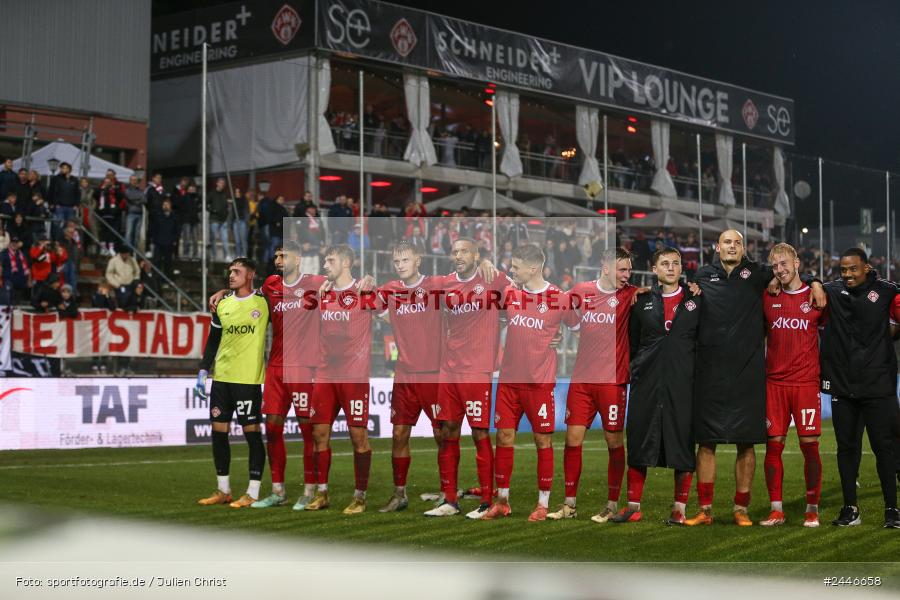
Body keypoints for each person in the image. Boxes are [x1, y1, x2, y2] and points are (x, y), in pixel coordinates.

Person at [684, 230, 825, 527]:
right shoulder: (701, 277)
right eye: (726, 242)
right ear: (716, 246)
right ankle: (705, 510)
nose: (731, 246)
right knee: (706, 443)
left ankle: (741, 509)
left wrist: (815, 281)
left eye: (736, 242)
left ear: (744, 248)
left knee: (746, 444)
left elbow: (786, 271)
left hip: (749, 374)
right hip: (709, 373)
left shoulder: (759, 273)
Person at [483, 244, 578, 522]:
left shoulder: (558, 298)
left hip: (540, 383)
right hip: (509, 381)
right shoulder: (510, 293)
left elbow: (578, 328)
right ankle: (502, 501)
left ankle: (542, 503)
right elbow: (494, 317)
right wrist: (487, 261)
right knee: (503, 437)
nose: (512, 271)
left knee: (542, 440)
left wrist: (559, 340)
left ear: (533, 268)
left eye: (516, 267)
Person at [548, 248, 639, 523]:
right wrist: (558, 332)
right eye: (622, 269)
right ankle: (569, 504)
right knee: (572, 440)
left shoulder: (630, 294)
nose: (627, 275)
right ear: (606, 267)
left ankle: (611, 504)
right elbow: (557, 309)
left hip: (613, 381)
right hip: (582, 381)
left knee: (614, 442)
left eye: (629, 270)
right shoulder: (582, 291)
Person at [426, 238, 513, 518]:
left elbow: (524, 292)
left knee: (479, 433)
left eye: (464, 251)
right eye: (455, 251)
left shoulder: (491, 276)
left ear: (476, 255)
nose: (458, 255)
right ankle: (449, 500)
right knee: (447, 431)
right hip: (448, 370)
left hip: (477, 369)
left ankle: (487, 501)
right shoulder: (445, 283)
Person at [614, 247, 701, 525]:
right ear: (654, 269)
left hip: (683, 383)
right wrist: (638, 369)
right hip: (647, 382)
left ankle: (679, 508)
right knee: (640, 439)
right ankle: (633, 507)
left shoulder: (695, 299)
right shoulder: (641, 301)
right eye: (665, 263)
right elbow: (634, 341)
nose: (671, 268)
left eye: (675, 263)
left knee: (682, 445)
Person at [820, 248, 900, 528]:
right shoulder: (831, 290)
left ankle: (892, 510)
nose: (847, 275)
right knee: (846, 449)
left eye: (853, 269)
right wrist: (813, 280)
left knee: (885, 449)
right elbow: (807, 282)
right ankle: (850, 509)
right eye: (843, 270)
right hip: (844, 386)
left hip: (878, 385)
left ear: (866, 267)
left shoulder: (887, 291)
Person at [375, 241, 446, 513]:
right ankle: (399, 494)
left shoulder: (437, 285)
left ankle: (446, 491)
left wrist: (484, 265)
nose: (400, 265)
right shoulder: (390, 291)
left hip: (434, 374)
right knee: (398, 433)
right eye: (396, 261)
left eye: (405, 259)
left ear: (418, 259)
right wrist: (365, 283)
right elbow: (362, 302)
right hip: (404, 374)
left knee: (441, 434)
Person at [759, 243, 826, 528]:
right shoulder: (767, 297)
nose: (780, 270)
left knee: (809, 447)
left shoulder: (816, 298)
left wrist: (817, 283)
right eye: (775, 266)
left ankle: (812, 508)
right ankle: (777, 510)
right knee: (773, 447)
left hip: (805, 384)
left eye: (784, 263)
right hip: (774, 384)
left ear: (797, 262)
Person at [306, 244, 375, 514]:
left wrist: (372, 287)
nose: (325, 264)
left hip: (354, 376)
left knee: (358, 436)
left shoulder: (363, 290)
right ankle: (322, 493)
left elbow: (387, 313)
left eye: (330, 260)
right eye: (324, 259)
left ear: (346, 263)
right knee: (318, 433)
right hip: (325, 374)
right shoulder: (322, 293)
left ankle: (360, 496)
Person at [196, 257, 270, 508]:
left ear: (251, 275)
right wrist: (203, 370)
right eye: (230, 272)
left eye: (237, 271)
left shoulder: (263, 301)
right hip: (222, 379)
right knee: (218, 433)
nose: (231, 275)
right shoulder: (222, 304)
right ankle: (223, 489)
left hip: (247, 379)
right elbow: (213, 339)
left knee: (252, 435)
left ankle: (253, 491)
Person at [47, 162, 80, 239]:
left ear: (69, 169)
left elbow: (77, 193)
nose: (63, 169)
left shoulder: (74, 180)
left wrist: (76, 205)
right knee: (57, 225)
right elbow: (50, 192)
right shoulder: (56, 179)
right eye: (62, 168)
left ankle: (66, 243)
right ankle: (56, 242)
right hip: (59, 206)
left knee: (69, 226)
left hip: (71, 207)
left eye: (65, 168)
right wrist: (52, 203)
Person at [152, 198, 179, 277]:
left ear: (170, 206)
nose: (165, 206)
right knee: (157, 261)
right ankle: (156, 278)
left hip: (169, 243)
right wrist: (155, 240)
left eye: (167, 205)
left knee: (168, 262)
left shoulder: (174, 217)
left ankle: (167, 277)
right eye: (164, 205)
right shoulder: (158, 215)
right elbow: (154, 228)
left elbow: (177, 230)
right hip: (159, 243)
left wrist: (174, 240)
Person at [96, 178, 122, 256]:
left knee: (111, 232)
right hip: (103, 213)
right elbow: (95, 195)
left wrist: (113, 189)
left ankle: (111, 247)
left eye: (108, 182)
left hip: (112, 214)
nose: (107, 184)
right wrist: (101, 189)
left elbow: (120, 197)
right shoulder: (101, 190)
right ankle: (103, 248)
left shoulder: (114, 190)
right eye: (105, 182)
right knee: (103, 232)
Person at [1, 236, 30, 304]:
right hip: (8, 281)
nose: (14, 244)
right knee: (8, 301)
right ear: (9, 243)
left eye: (16, 243)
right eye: (12, 243)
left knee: (17, 303)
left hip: (20, 282)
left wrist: (29, 280)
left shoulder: (22, 254)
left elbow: (28, 268)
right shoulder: (4, 253)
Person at [207, 178, 231, 262]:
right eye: (221, 183)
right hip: (214, 219)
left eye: (223, 183)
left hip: (223, 220)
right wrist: (212, 210)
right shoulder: (212, 193)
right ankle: (214, 255)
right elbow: (206, 204)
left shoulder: (224, 194)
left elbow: (227, 205)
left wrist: (227, 212)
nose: (222, 184)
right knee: (213, 238)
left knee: (225, 238)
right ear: (217, 183)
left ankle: (226, 255)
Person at [123, 175, 146, 252]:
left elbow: (144, 199)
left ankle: (134, 250)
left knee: (137, 233)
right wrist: (139, 200)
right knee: (129, 232)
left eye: (135, 180)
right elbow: (130, 197)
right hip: (131, 213)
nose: (134, 181)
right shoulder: (127, 190)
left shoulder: (140, 190)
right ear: (130, 181)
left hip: (140, 213)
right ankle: (127, 250)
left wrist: (137, 200)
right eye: (132, 180)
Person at [230, 187, 249, 258]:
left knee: (243, 239)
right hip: (235, 222)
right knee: (237, 240)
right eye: (236, 192)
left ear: (241, 193)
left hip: (243, 221)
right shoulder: (234, 200)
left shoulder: (244, 200)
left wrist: (247, 222)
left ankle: (244, 255)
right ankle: (238, 255)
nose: (237, 193)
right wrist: (231, 223)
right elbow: (232, 212)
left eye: (238, 192)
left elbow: (247, 212)